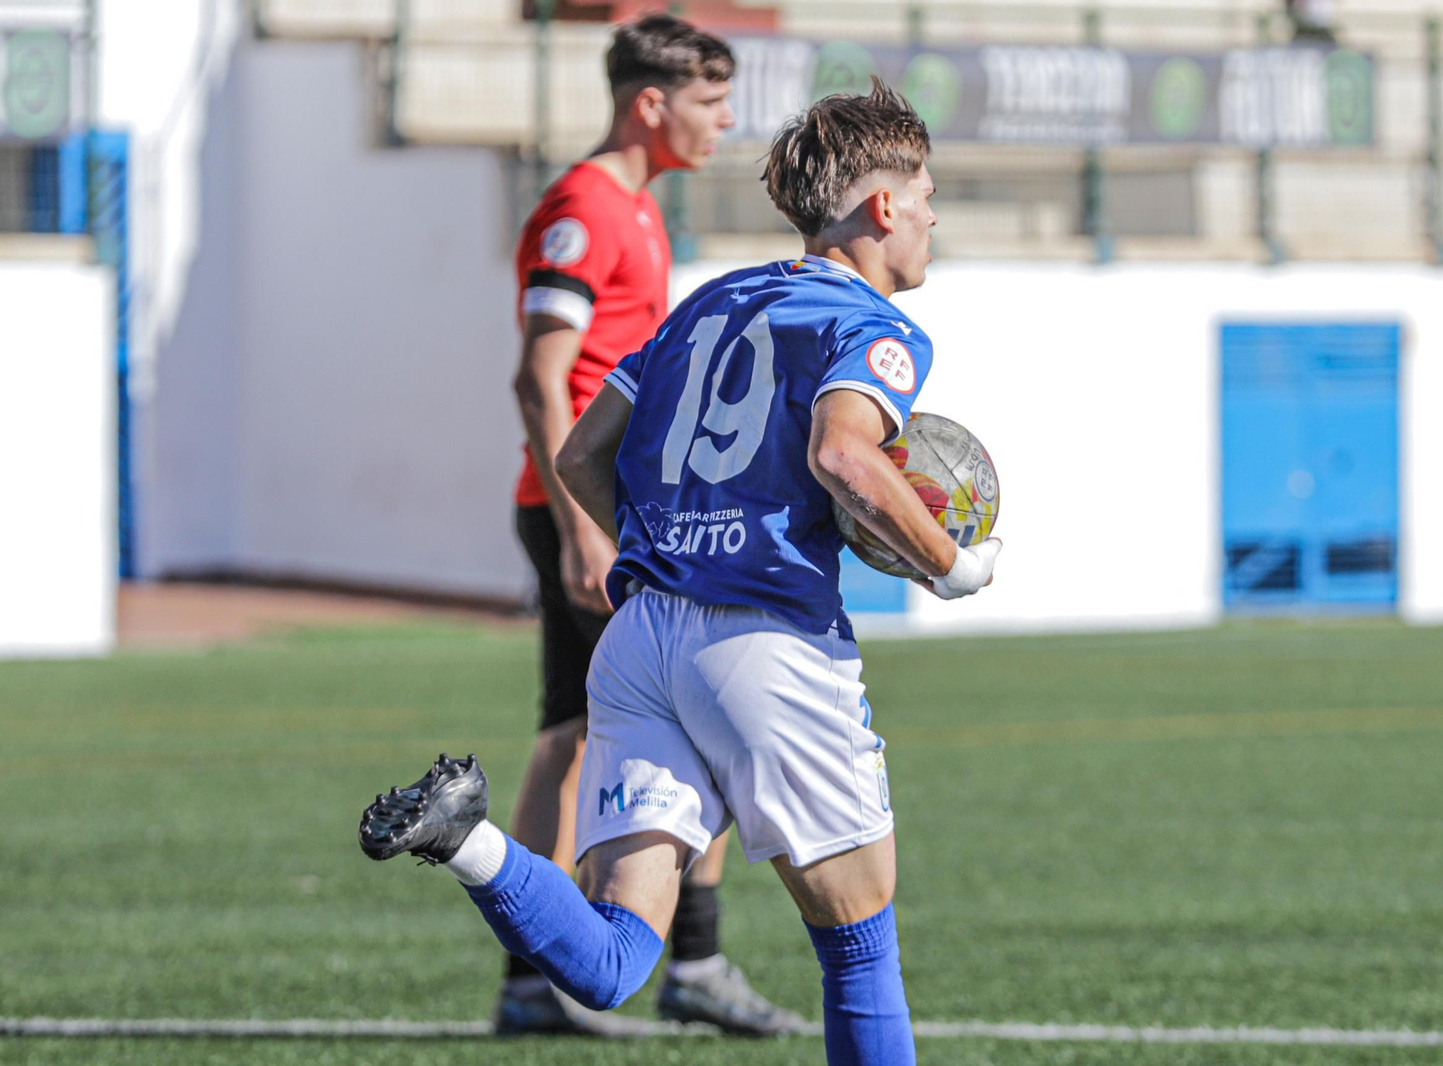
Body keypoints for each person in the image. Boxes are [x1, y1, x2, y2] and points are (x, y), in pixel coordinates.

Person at [361, 80, 1003, 1065]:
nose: (931, 221)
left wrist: (671, 543)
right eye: (926, 200)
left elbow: (581, 455)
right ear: (883, 206)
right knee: (858, 941)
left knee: (615, 958)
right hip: (765, 642)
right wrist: (950, 564)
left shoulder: (709, 302)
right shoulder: (870, 325)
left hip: (642, 639)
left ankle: (466, 839)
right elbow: (843, 455)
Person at [501, 12, 799, 1035]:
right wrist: (584, 528)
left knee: (571, 732)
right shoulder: (583, 208)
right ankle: (687, 963)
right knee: (674, 721)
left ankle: (537, 978)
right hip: (589, 512)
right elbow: (540, 379)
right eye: (711, 103)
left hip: (612, 510)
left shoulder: (636, 205)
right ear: (651, 104)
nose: (726, 122)